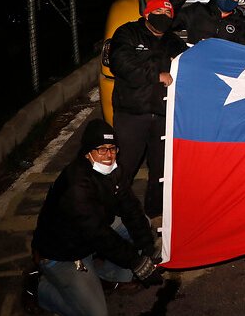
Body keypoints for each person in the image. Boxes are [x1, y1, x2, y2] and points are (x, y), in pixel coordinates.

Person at [28, 119, 163, 316]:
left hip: (91, 238)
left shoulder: (114, 169)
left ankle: (105, 275)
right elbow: (99, 234)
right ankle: (40, 289)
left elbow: (130, 208)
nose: (109, 155)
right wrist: (135, 261)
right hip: (64, 253)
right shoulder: (76, 185)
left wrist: (147, 247)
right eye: (101, 149)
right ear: (87, 152)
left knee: (144, 224)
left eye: (113, 148)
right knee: (96, 313)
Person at [109, 0, 187, 227]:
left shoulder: (173, 41)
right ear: (147, 14)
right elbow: (121, 63)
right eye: (159, 14)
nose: (164, 18)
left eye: (168, 15)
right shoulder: (127, 33)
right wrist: (157, 74)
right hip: (132, 113)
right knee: (124, 166)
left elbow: (187, 64)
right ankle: (114, 213)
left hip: (163, 114)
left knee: (161, 168)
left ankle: (155, 212)